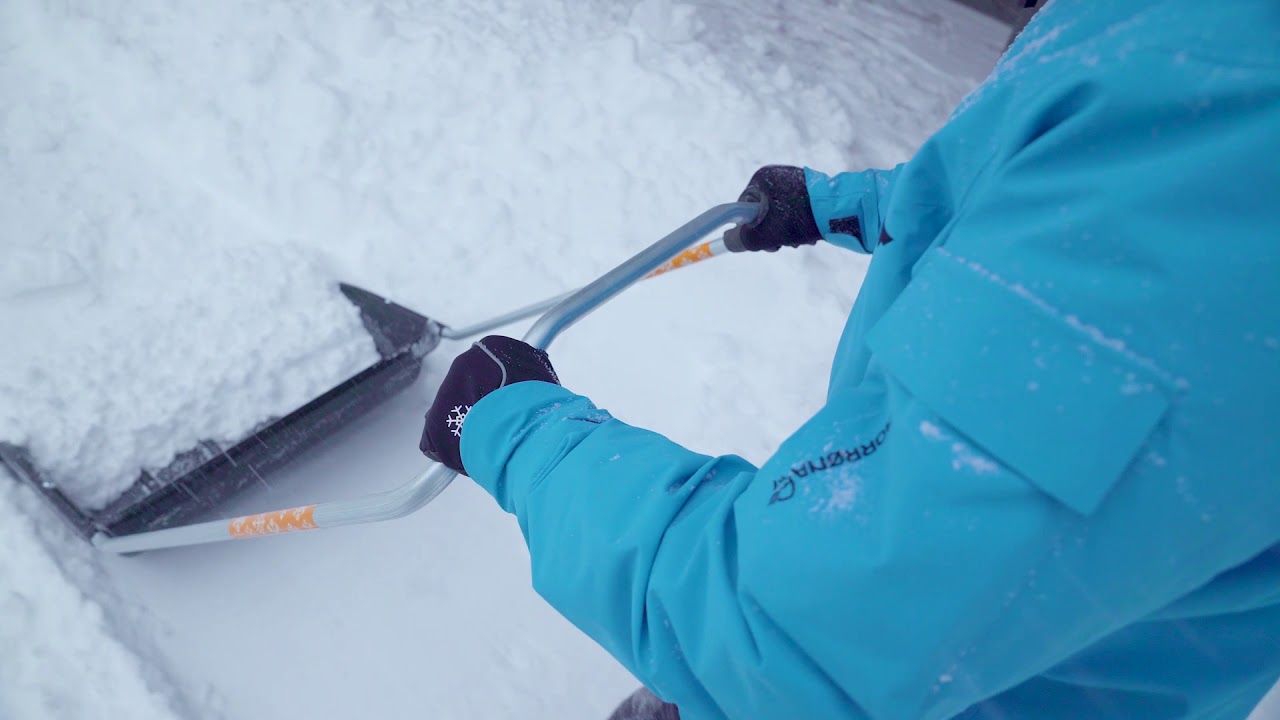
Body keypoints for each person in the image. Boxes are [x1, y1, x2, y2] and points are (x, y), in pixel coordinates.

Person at [420, 1, 1280, 717]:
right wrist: (848, 206)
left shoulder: (1226, 166)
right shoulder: (1191, 36)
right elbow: (1038, 178)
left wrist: (514, 429)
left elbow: (779, 631)